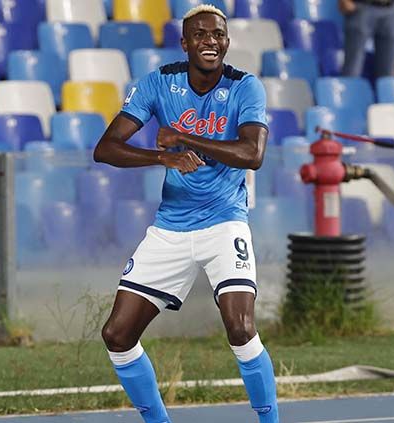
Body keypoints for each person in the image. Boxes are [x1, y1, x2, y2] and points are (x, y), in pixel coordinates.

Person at [94, 5, 278, 423]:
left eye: (218, 35)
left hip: (225, 221)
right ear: (185, 42)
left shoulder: (246, 87)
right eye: (200, 34)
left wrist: (184, 137)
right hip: (171, 226)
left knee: (241, 327)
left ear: (227, 42)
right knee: (117, 335)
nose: (210, 41)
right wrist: (164, 156)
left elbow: (253, 154)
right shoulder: (159, 82)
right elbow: (105, 149)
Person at [339, 0, 394, 78]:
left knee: (388, 74)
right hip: (361, 7)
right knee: (352, 69)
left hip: (391, 9)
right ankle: (348, 90)